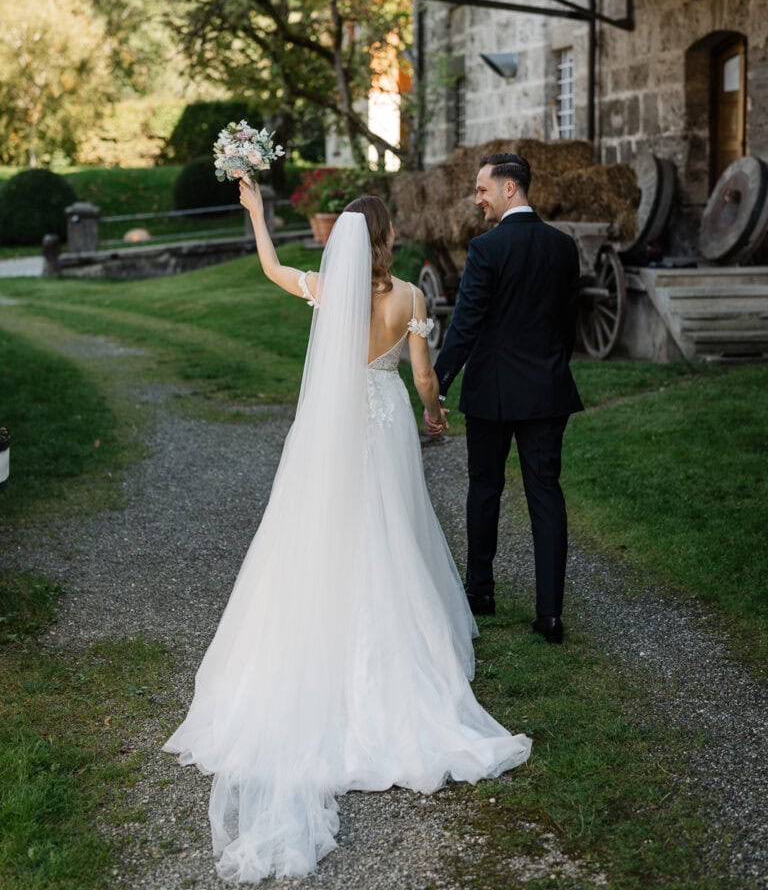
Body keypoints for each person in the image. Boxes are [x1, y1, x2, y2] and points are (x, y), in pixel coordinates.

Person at [163, 184, 531, 884]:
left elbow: (272, 271)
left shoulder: (331, 289)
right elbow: (424, 377)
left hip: (334, 428)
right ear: (390, 237)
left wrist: (256, 215)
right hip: (386, 420)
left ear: (343, 243)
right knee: (391, 531)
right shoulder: (412, 301)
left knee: (324, 526)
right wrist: (435, 414)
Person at [433, 154, 583, 644]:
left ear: (510, 189)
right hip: (546, 389)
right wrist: (553, 366)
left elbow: (466, 324)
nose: (477, 198)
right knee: (546, 493)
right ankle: (551, 614)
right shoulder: (563, 247)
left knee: (485, 488)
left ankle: (481, 591)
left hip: (493, 392)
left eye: (482, 190)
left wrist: (437, 381)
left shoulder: (487, 249)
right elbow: (569, 325)